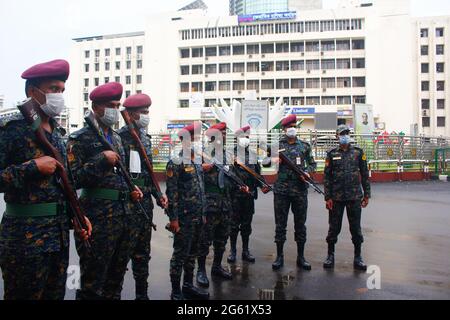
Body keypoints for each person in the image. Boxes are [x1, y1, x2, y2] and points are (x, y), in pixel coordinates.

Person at [0, 59, 91, 300]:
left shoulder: (58, 134)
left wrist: (78, 217)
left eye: (62, 90)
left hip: (58, 237)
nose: (59, 95)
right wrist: (31, 167)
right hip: (24, 240)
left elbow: (65, 184)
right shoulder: (12, 129)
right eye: (53, 89)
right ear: (32, 91)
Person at [67, 82, 143, 300]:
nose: (114, 110)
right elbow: (73, 180)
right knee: (93, 281)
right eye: (110, 105)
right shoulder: (79, 138)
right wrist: (101, 160)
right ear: (96, 106)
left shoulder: (117, 138)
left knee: (115, 279)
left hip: (123, 216)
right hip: (97, 217)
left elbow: (120, 175)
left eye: (117, 105)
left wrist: (131, 189)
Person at [118, 93, 168, 300]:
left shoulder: (145, 139)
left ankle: (142, 294)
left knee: (142, 254)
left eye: (148, 112)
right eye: (142, 112)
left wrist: (158, 195)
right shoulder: (119, 138)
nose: (146, 116)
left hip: (144, 205)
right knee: (120, 256)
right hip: (124, 206)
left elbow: (148, 174)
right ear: (130, 114)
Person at [196, 122, 249, 287]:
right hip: (209, 203)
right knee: (205, 239)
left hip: (225, 204)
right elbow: (191, 176)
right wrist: (201, 168)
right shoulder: (201, 153)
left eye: (225, 133)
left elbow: (230, 176)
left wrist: (240, 185)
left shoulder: (226, 155)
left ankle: (217, 266)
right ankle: (201, 271)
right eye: (222, 133)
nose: (224, 136)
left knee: (221, 238)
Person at [264, 114, 316, 271]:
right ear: (284, 129)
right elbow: (265, 163)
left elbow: (312, 164)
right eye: (289, 126)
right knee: (280, 225)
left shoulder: (305, 146)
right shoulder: (276, 145)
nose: (291, 129)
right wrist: (272, 161)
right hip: (282, 191)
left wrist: (307, 172)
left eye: (294, 126)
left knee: (300, 225)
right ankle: (279, 257)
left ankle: (301, 257)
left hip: (300, 190)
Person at [166, 122, 209, 300]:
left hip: (198, 216)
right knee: (180, 254)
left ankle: (188, 285)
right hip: (184, 217)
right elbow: (172, 193)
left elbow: (200, 189)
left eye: (199, 138)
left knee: (192, 253)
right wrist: (174, 219)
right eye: (195, 138)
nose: (199, 141)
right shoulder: (176, 162)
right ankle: (176, 290)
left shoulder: (196, 161)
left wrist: (203, 214)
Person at [323, 125, 371, 271]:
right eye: (342, 134)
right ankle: (330, 256)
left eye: (346, 133)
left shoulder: (358, 153)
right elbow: (327, 177)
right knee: (333, 228)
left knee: (356, 228)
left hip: (354, 196)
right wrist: (328, 197)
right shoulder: (331, 154)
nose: (345, 136)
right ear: (337, 136)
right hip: (336, 198)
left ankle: (358, 257)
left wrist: (367, 194)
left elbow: (364, 174)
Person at [228, 126, 270, 264]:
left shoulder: (252, 155)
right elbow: (227, 176)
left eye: (247, 137)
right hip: (235, 197)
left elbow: (257, 175)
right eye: (243, 136)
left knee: (246, 225)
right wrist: (238, 187)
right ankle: (233, 251)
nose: (245, 139)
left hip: (249, 196)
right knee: (234, 225)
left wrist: (263, 185)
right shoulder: (230, 155)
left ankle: (245, 250)